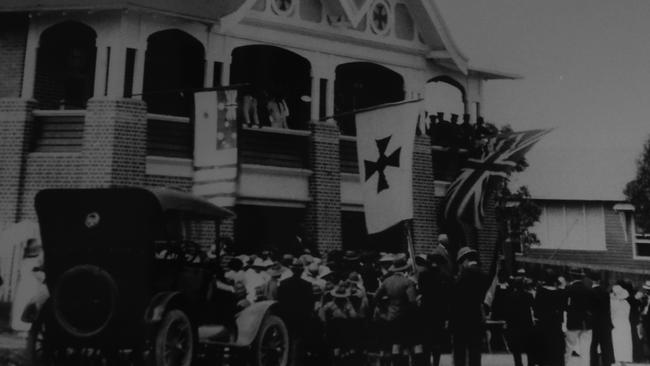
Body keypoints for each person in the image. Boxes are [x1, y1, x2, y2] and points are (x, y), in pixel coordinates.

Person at [374, 256, 419, 366]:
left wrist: (384, 308)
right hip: (404, 317)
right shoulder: (408, 282)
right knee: (403, 345)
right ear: (404, 269)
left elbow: (376, 297)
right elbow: (412, 301)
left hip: (390, 316)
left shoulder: (386, 281)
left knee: (393, 343)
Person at [449, 247, 488, 366]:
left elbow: (453, 301)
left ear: (463, 261)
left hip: (460, 321)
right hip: (476, 318)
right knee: (475, 353)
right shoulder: (482, 275)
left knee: (459, 353)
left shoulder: (460, 278)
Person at [278, 260, 314, 366]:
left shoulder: (283, 284)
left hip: (286, 317)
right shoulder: (307, 285)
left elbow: (279, 301)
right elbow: (310, 304)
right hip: (301, 318)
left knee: (286, 339)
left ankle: (285, 361)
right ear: (302, 271)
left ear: (292, 270)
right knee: (298, 342)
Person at [418, 252, 451, 366]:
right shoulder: (444, 277)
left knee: (426, 340)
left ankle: (427, 362)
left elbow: (421, 291)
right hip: (439, 313)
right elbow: (447, 297)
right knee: (437, 341)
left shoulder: (423, 275)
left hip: (426, 312)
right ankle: (436, 362)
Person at [533, 269, 566, 366]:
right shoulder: (560, 293)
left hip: (543, 326)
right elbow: (562, 309)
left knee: (543, 355)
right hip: (556, 327)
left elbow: (536, 311)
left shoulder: (541, 292)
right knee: (556, 354)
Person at [564, 268, 595, 366]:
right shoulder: (589, 290)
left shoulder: (569, 289)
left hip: (573, 322)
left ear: (571, 276)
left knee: (568, 349)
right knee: (585, 351)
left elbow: (565, 306)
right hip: (586, 323)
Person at [504, 275, 535, 366]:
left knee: (516, 349)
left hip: (514, 324)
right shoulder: (528, 295)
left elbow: (507, 311)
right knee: (529, 347)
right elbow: (534, 308)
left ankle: (518, 364)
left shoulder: (510, 296)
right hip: (526, 323)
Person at [589, 270, 614, 366]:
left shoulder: (590, 292)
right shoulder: (605, 292)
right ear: (599, 281)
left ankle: (594, 363)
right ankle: (607, 363)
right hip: (605, 322)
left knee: (593, 345)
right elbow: (608, 309)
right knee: (606, 345)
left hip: (594, 322)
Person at [610, 284, 633, 364]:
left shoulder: (613, 303)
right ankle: (623, 360)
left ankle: (617, 359)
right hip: (625, 324)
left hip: (616, 324)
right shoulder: (626, 303)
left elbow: (612, 314)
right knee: (624, 343)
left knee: (616, 342)